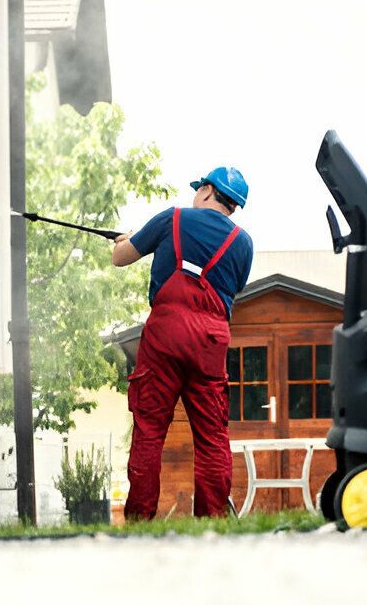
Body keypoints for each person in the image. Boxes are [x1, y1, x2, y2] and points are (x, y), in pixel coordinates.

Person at [111, 166, 254, 519]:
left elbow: (120, 257)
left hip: (165, 334)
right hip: (210, 340)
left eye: (198, 189)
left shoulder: (172, 218)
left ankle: (141, 520)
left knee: (149, 431)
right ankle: (213, 521)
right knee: (212, 436)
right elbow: (230, 290)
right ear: (233, 206)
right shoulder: (243, 243)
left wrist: (126, 239)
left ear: (206, 190)